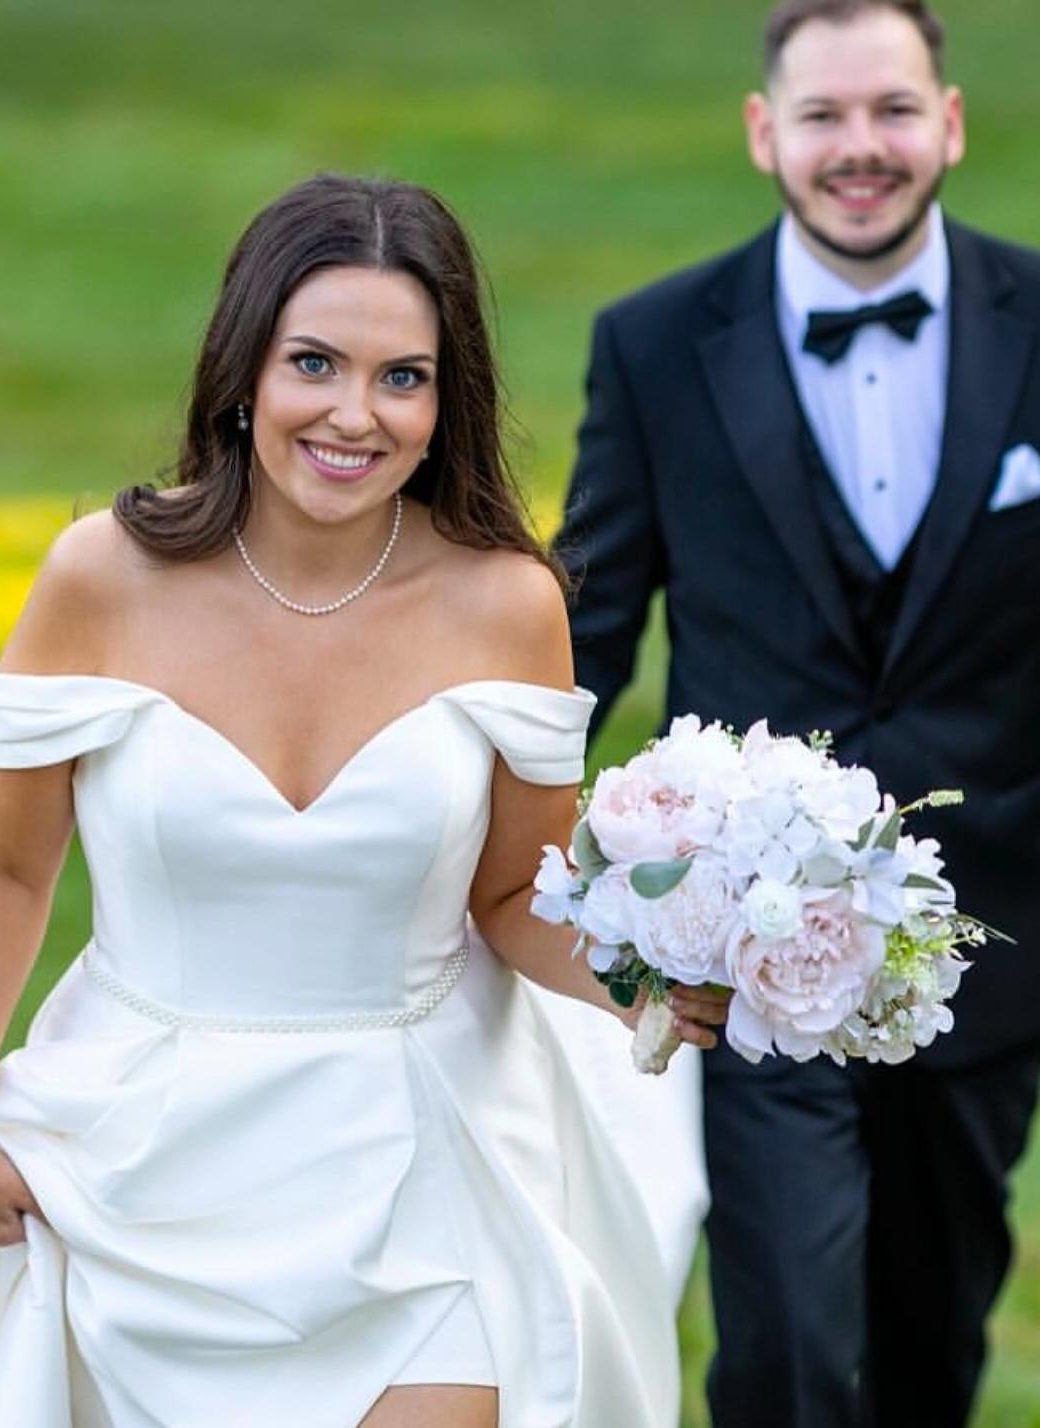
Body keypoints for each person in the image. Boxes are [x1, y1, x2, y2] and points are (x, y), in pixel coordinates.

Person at [0, 174, 730, 1428]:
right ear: (244, 368)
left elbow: (516, 894)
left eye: (403, 377)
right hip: (142, 1149)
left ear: (446, 402)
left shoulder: (506, 605)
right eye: (315, 363)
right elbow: (6, 865)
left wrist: (655, 977)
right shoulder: (102, 579)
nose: (354, 414)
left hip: (419, 1156)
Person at [557, 2, 1040, 1424]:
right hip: (744, 954)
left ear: (950, 122)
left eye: (893, 109)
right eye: (824, 115)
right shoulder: (655, 346)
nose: (860, 147)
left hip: (990, 939)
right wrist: (486, 825)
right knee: (782, 1352)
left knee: (931, 1341)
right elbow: (589, 626)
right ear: (767, 133)